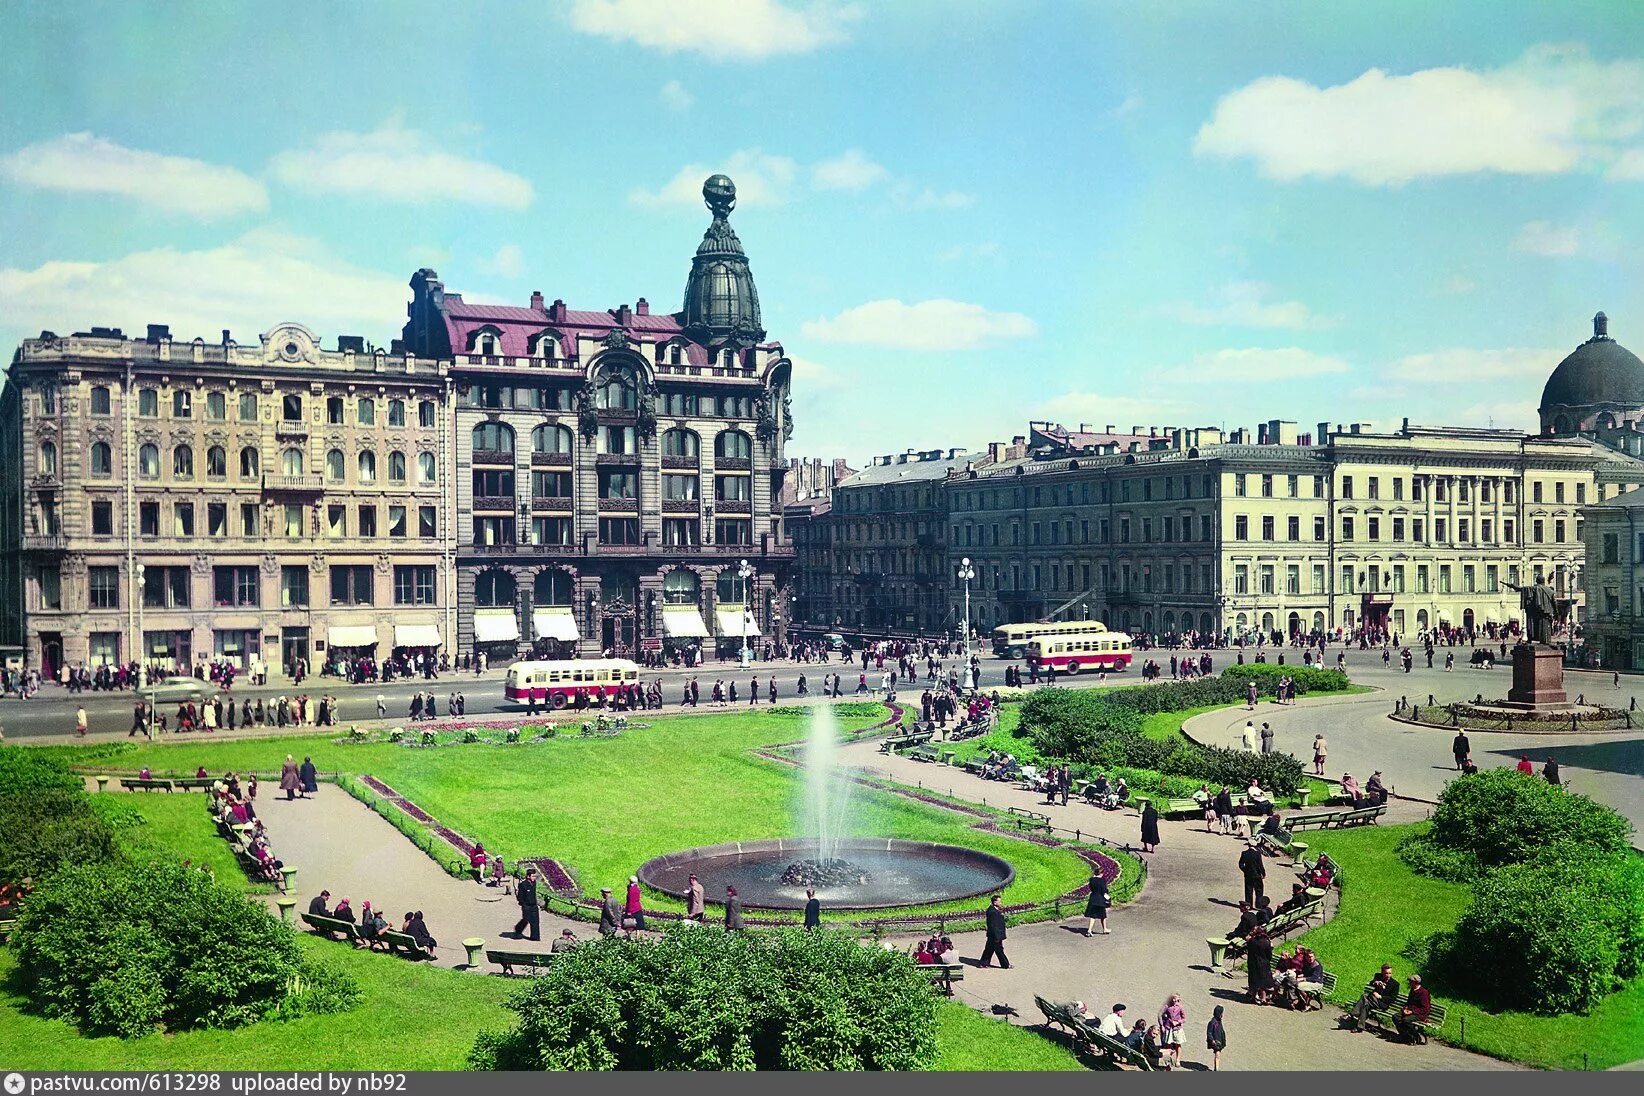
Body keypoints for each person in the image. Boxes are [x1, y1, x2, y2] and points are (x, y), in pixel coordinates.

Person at [1346, 965, 1400, 1031]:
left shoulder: (1395, 984)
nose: (1388, 975)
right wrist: (1375, 982)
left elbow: (1393, 999)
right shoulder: (1378, 976)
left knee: (1365, 996)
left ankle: (1352, 1014)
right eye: (1386, 973)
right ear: (1382, 972)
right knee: (1366, 1004)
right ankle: (1359, 1027)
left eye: (1390, 973)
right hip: (1371, 1001)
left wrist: (1380, 997)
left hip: (1382, 1003)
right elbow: (1371, 983)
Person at [1395, 975, 1432, 1043]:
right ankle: (1405, 1035)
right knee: (1395, 1017)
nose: (1409, 983)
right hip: (1410, 1012)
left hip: (1419, 1014)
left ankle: (1415, 1036)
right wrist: (1405, 1008)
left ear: (1416, 982)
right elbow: (1408, 1002)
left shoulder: (1424, 993)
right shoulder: (1412, 990)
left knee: (1405, 1020)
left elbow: (1425, 1009)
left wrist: (1412, 1011)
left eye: (1410, 982)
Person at [1245, 924, 1274, 1004]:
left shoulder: (1252, 941)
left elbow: (1249, 950)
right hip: (1264, 963)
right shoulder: (1266, 942)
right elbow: (1269, 954)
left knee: (1254, 980)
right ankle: (1263, 998)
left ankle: (1253, 997)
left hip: (1253, 963)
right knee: (1262, 982)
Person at [979, 894, 1009, 969]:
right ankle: (1005, 965)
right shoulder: (992, 911)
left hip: (994, 935)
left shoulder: (995, 910)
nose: (1000, 903)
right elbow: (992, 925)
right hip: (995, 935)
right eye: (999, 901)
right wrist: (997, 936)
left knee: (989, 949)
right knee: (999, 950)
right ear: (994, 902)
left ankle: (983, 963)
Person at [1157, 994, 1186, 1068]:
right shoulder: (1167, 1007)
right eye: (1176, 999)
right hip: (1169, 1028)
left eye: (1178, 1000)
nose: (1177, 1001)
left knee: (1178, 1045)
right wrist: (1162, 1025)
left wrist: (1178, 1022)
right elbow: (1160, 1015)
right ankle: (1168, 1060)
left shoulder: (1180, 1007)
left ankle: (1178, 1060)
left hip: (1177, 1029)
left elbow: (1184, 1018)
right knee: (1168, 1045)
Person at [514, 867, 541, 941]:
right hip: (526, 905)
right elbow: (520, 896)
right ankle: (518, 929)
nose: (534, 878)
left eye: (535, 876)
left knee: (535, 921)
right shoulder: (523, 885)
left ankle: (535, 937)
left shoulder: (534, 883)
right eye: (533, 876)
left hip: (534, 905)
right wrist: (523, 904)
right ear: (528, 876)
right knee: (526, 919)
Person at [1239, 840, 1266, 905]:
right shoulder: (1257, 854)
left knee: (1248, 890)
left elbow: (1241, 864)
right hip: (1257, 875)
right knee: (1259, 890)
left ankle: (1248, 905)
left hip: (1248, 875)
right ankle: (1259, 905)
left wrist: (1245, 870)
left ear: (1248, 845)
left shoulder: (1244, 853)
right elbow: (1260, 865)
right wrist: (1263, 873)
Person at [1083, 870, 1111, 935]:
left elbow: (1091, 888)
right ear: (1101, 873)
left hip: (1093, 899)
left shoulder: (1092, 880)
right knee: (1103, 915)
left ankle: (1090, 930)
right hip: (1100, 900)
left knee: (1093, 916)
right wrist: (1108, 898)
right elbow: (1104, 891)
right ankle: (1104, 929)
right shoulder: (1102, 881)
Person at [1205, 1004, 1227, 1071]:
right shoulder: (1212, 1022)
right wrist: (1212, 1040)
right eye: (1221, 1013)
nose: (1222, 1015)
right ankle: (1216, 1068)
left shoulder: (1219, 1021)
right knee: (1217, 1054)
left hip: (1220, 1040)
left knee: (1218, 1054)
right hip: (1216, 1041)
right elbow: (1209, 1033)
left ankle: (1216, 1068)